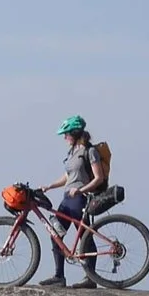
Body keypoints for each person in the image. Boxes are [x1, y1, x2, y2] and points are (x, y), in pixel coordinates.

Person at [51, 114, 111, 286]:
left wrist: (80, 190)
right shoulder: (72, 153)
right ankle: (59, 276)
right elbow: (68, 177)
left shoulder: (89, 151)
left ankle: (90, 279)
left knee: (85, 238)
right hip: (67, 199)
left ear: (75, 133)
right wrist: (49, 186)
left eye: (66, 134)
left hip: (80, 199)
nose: (65, 137)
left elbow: (98, 178)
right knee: (55, 234)